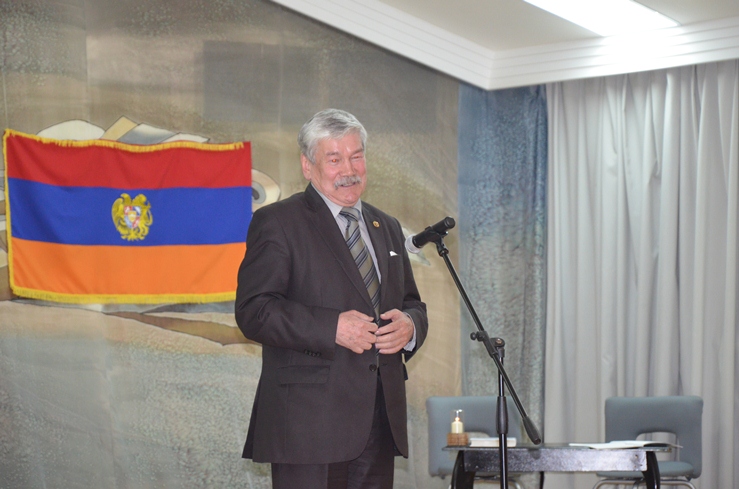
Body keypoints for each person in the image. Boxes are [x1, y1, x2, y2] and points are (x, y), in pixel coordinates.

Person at [235, 108, 428, 489]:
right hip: (308, 425)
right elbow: (254, 311)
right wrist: (331, 327)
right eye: (335, 159)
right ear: (308, 167)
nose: (349, 170)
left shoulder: (387, 226)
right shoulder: (278, 222)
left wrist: (410, 326)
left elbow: (412, 303)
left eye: (356, 156)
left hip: (379, 419)